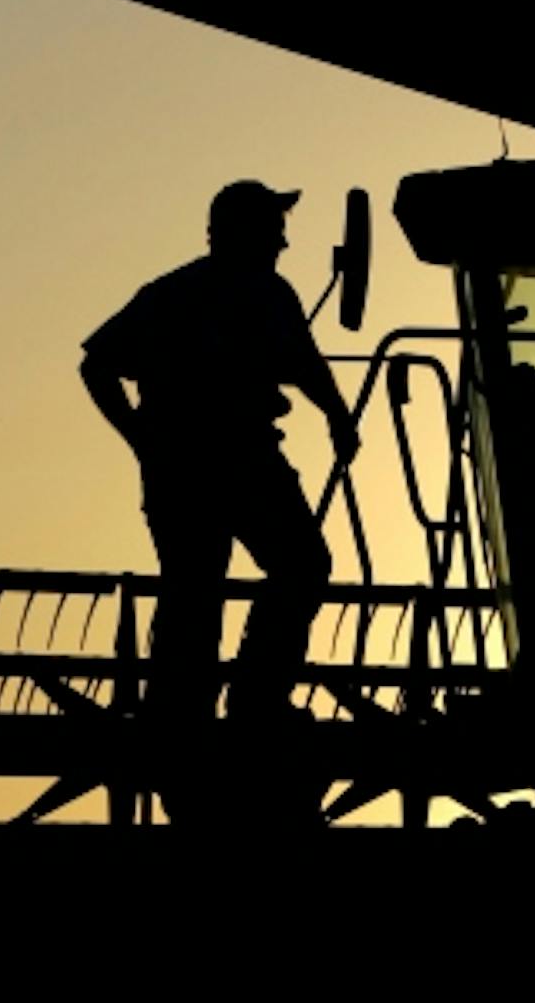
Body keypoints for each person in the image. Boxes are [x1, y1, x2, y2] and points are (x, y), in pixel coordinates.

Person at [81, 181, 358, 735]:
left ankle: (184, 715)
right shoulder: (230, 295)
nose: (283, 243)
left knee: (195, 590)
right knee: (290, 569)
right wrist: (141, 439)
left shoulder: (186, 294)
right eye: (275, 231)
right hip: (232, 460)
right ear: (241, 232)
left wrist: (335, 415)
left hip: (191, 467)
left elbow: (304, 363)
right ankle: (247, 702)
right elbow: (98, 365)